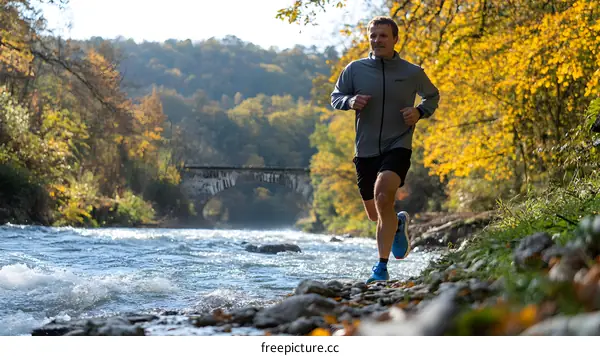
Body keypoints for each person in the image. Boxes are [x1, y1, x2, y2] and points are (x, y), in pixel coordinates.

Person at [330, 16, 440, 283]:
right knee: (374, 213)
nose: (377, 40)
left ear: (395, 39)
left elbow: (432, 96)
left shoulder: (412, 72)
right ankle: (399, 223)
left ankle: (380, 267)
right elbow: (336, 97)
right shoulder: (355, 69)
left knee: (382, 195)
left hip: (398, 143)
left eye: (383, 36)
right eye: (373, 35)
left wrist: (419, 111)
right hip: (365, 148)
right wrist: (350, 100)